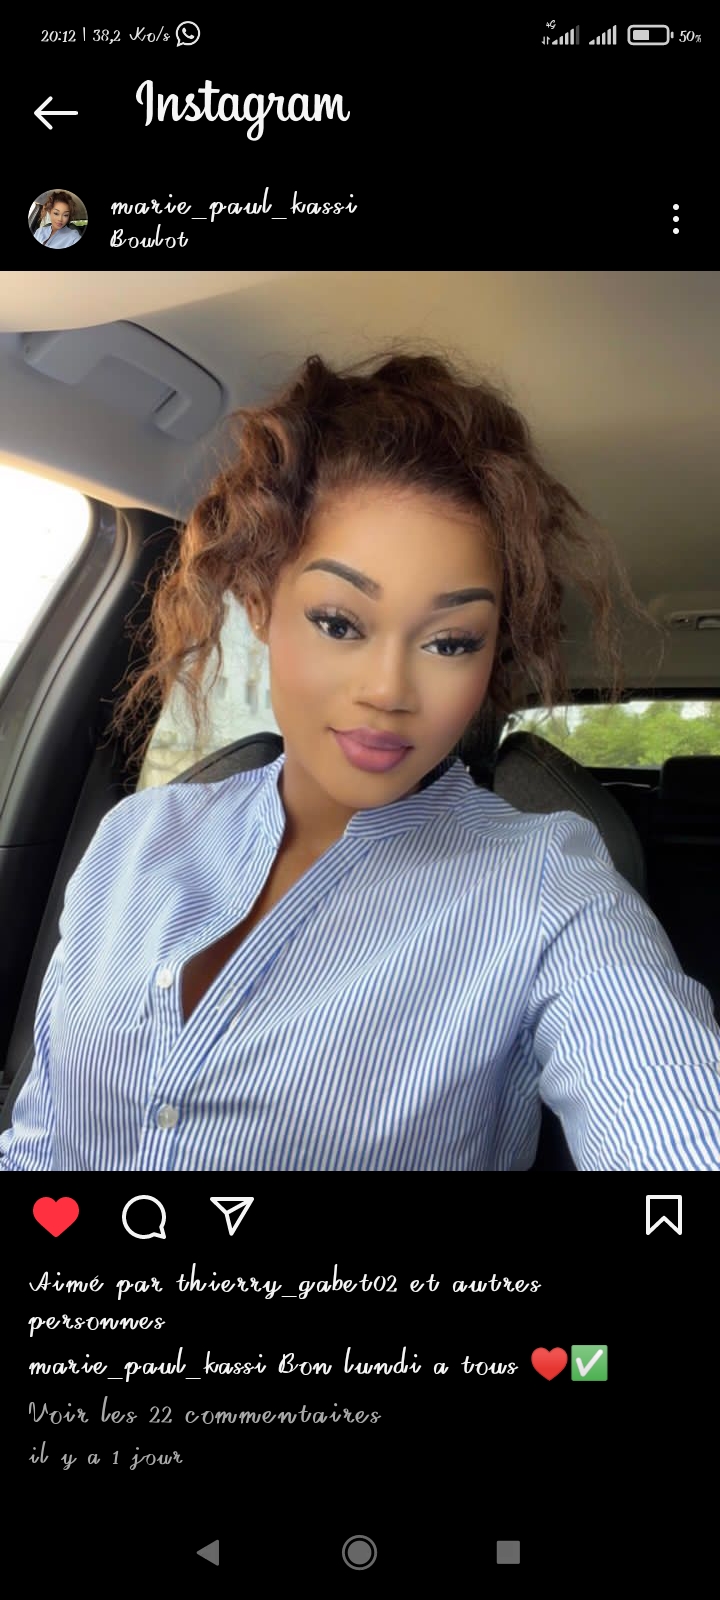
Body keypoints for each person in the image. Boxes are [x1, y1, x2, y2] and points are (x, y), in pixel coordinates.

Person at [2, 349, 719, 1171]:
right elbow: (39, 1145)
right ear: (262, 604)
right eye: (339, 622)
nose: (388, 690)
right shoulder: (135, 839)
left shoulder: (548, 889)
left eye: (451, 641)